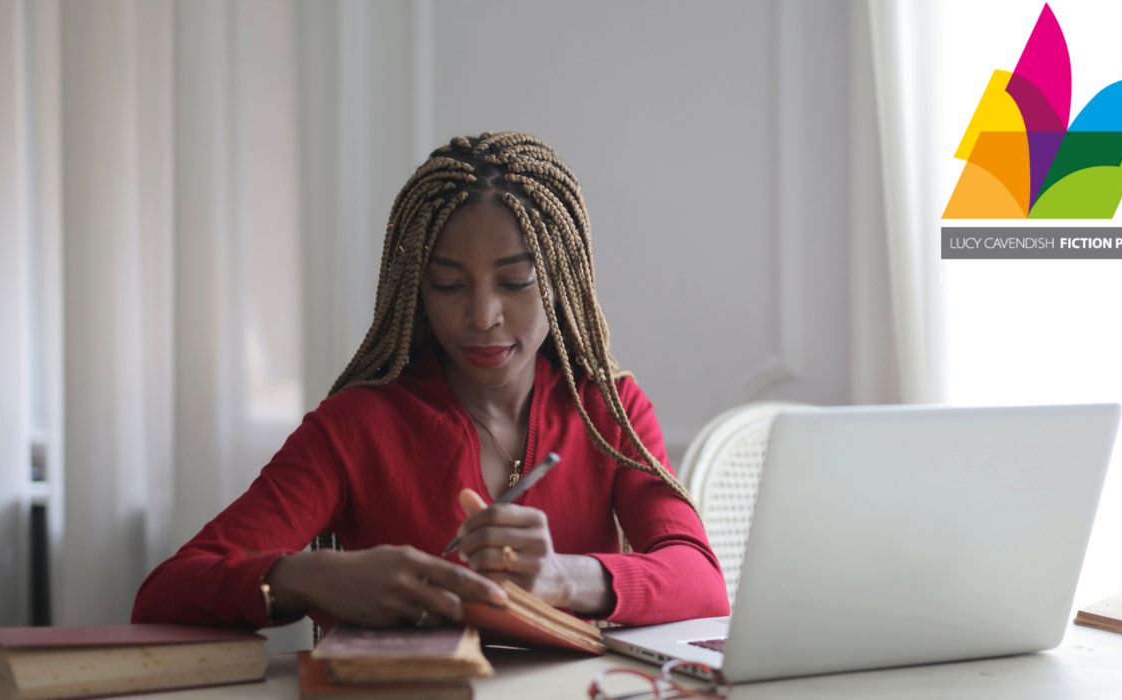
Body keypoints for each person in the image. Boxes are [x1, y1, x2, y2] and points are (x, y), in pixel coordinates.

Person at [131, 132, 730, 631]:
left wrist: (564, 577)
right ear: (416, 289)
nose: (482, 315)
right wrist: (305, 577)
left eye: (515, 281)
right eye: (448, 285)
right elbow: (164, 594)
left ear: (560, 279)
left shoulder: (609, 410)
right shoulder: (357, 426)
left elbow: (702, 583)